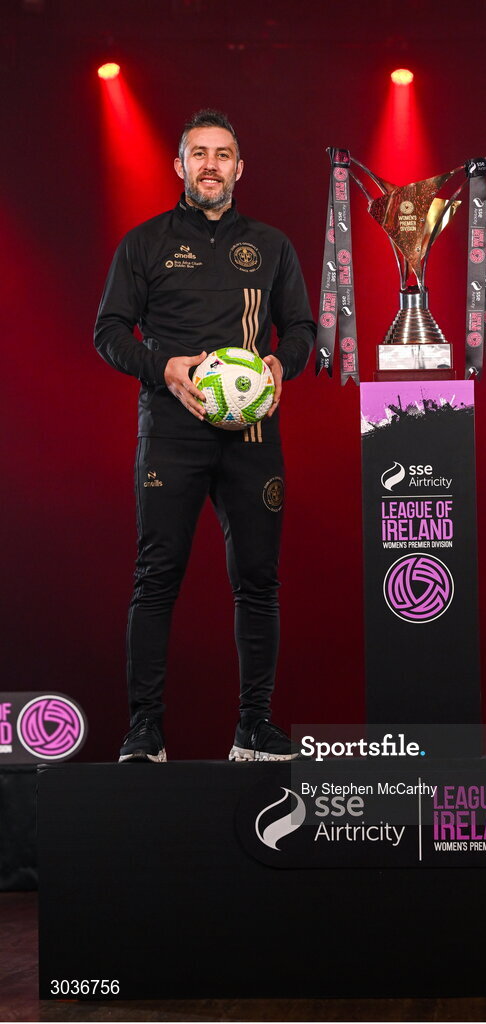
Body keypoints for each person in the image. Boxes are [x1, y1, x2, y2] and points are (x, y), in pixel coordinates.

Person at [94, 109, 315, 763]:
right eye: (199, 154)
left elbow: (301, 328)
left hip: (252, 436)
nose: (211, 164)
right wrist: (162, 366)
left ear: (240, 168)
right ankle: (145, 732)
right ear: (180, 166)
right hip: (171, 433)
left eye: (223, 154)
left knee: (258, 581)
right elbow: (108, 332)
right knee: (156, 577)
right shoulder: (145, 243)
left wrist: (282, 362)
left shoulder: (272, 245)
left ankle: (254, 727)